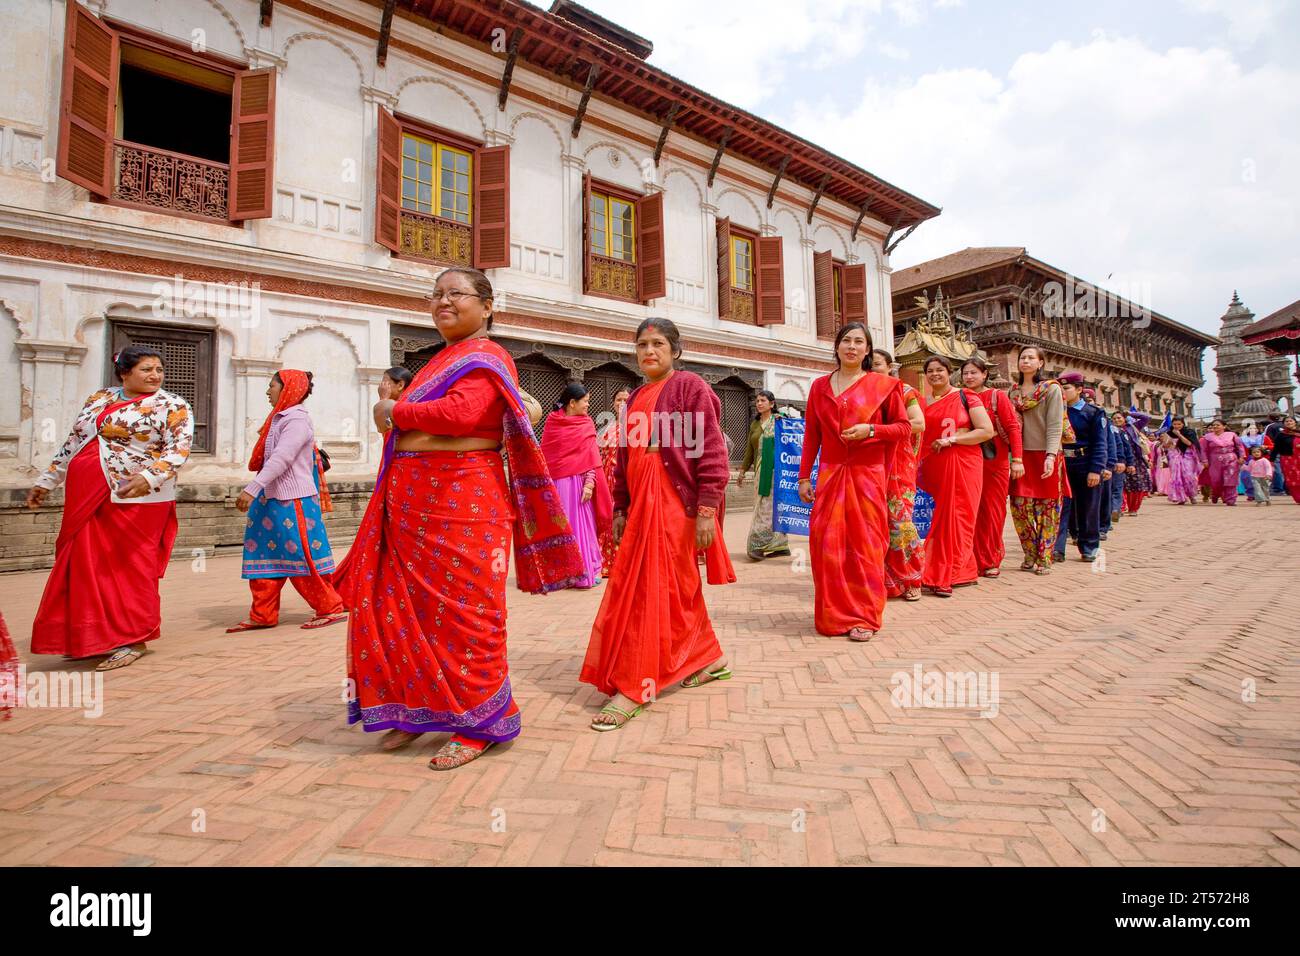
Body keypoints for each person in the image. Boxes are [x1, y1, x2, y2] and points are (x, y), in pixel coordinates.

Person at [336, 268, 583, 771]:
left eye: (456, 294)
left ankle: (482, 721)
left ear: (488, 306)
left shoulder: (487, 356)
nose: (442, 302)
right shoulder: (437, 362)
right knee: (405, 609)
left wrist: (393, 408)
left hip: (462, 503)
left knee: (466, 612)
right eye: (436, 294)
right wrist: (401, 411)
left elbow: (462, 417)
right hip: (410, 505)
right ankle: (417, 708)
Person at [580, 318, 735, 730]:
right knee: (669, 587)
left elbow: (713, 452)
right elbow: (626, 461)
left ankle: (637, 685)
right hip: (642, 501)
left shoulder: (689, 387)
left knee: (659, 588)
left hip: (674, 503)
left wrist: (706, 510)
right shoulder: (635, 398)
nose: (649, 351)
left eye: (659, 343)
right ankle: (710, 658)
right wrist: (619, 508)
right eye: (642, 344)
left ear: (676, 350)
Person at [26, 347, 193, 671]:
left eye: (159, 369)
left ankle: (132, 637)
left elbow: (179, 448)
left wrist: (149, 476)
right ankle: (89, 637)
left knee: (130, 565)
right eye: (146, 369)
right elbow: (73, 442)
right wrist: (48, 480)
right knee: (84, 563)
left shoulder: (171, 405)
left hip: (137, 498)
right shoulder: (100, 399)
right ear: (124, 373)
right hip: (88, 493)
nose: (155, 376)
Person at [797, 326, 910, 638]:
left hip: (868, 474)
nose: (852, 346)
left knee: (866, 545)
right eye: (846, 341)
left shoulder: (885, 386)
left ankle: (865, 616)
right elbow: (812, 436)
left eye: (859, 342)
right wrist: (804, 476)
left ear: (867, 350)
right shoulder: (820, 386)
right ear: (836, 347)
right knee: (826, 543)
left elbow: (903, 428)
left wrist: (871, 431)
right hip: (831, 474)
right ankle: (833, 615)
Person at [226, 370, 347, 633]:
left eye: (272, 386)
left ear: (288, 389)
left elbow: (281, 458)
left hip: (293, 499)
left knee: (300, 555)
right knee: (264, 555)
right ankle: (263, 613)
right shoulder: (278, 419)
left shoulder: (297, 421)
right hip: (270, 497)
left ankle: (330, 607)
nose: (268, 391)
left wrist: (252, 489)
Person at [917, 355, 996, 595]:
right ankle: (948, 569)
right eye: (930, 370)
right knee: (942, 517)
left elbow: (986, 431)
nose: (935, 374)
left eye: (939, 370)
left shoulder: (966, 396)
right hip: (934, 465)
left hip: (963, 462)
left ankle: (953, 572)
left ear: (949, 372)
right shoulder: (923, 402)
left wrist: (953, 439)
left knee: (959, 516)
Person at [540, 381, 613, 589]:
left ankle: (585, 569)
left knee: (584, 527)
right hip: (559, 482)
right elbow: (547, 455)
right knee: (562, 527)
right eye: (586, 401)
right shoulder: (553, 423)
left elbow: (591, 455)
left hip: (580, 485)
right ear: (572, 403)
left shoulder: (586, 423)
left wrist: (590, 483)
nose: (588, 405)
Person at [960, 356, 1024, 578]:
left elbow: (1013, 429)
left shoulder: (997, 397)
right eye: (965, 373)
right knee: (971, 512)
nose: (969, 377)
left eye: (974, 373)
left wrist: (1017, 459)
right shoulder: (960, 397)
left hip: (995, 464)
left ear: (985, 374)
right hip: (967, 463)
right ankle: (972, 559)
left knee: (993, 513)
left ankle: (990, 559)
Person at [1008, 345, 1069, 575]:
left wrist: (1051, 456)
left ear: (1040, 363)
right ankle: (1029, 552)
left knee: (1048, 509)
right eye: (1022, 357)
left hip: (1045, 454)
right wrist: (1014, 457)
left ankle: (1044, 557)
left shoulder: (1051, 389)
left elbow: (1055, 425)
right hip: (1021, 457)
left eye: (1031, 358)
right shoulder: (1013, 393)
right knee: (1020, 508)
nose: (1026, 361)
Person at [870, 349, 925, 601]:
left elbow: (918, 423)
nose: (873, 369)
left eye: (878, 365)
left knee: (901, 523)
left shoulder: (905, 392)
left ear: (890, 366)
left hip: (898, 465)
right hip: (870, 464)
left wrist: (877, 430)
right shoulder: (863, 393)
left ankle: (913, 577)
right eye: (869, 365)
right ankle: (883, 579)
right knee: (875, 523)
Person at [1052, 373, 1107, 563]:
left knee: (1088, 507)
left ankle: (1089, 546)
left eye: (1067, 389)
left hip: (1085, 462)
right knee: (1061, 506)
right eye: (1061, 389)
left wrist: (1096, 469)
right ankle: (1057, 548)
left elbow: (1100, 443)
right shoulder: (1056, 411)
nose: (1063, 393)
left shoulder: (1093, 413)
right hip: (1063, 463)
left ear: (1079, 389)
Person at [738, 389, 791, 561]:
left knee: (768, 507)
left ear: (772, 404)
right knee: (763, 505)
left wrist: (784, 419)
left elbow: (792, 439)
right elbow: (749, 450)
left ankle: (758, 545)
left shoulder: (779, 421)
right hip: (760, 470)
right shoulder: (755, 424)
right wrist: (742, 470)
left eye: (763, 401)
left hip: (775, 470)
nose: (759, 403)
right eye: (757, 401)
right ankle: (780, 545)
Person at [597, 387, 631, 577]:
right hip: (608, 482)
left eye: (626, 400)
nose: (622, 404)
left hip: (628, 483)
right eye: (619, 400)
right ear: (613, 404)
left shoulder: (639, 430)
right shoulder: (605, 431)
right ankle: (608, 564)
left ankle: (628, 565)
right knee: (608, 521)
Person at [1199, 419, 1247, 505]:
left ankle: (1230, 499)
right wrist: (1204, 460)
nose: (1215, 426)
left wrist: (1242, 457)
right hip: (1214, 460)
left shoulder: (1232, 435)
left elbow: (1240, 446)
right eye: (1214, 425)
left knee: (1230, 479)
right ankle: (1216, 494)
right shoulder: (1207, 437)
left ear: (1224, 426)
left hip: (1231, 459)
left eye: (1218, 425)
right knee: (1216, 480)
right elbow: (1203, 450)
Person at [1116, 410, 1152, 514]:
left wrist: (1131, 414)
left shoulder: (1132, 427)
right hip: (1118, 459)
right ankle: (1119, 508)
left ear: (1124, 418)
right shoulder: (1110, 428)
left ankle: (1133, 508)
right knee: (1120, 485)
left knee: (1136, 485)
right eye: (1114, 419)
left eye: (1119, 418)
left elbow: (1146, 418)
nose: (1117, 420)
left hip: (1135, 460)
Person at [1264, 415, 1300, 503]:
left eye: (1291, 421)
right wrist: (1271, 460)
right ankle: (1298, 497)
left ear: (1295, 422)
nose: (1289, 423)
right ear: (1283, 424)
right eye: (1286, 421)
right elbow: (1276, 448)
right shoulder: (1281, 435)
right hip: (1288, 459)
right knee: (1292, 479)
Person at [1264, 412, 1288, 496]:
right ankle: (1286, 488)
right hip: (1287, 449)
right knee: (1286, 469)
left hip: (1276, 449)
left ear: (1269, 418)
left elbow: (1267, 438)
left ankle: (1278, 489)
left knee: (1276, 469)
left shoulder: (1270, 426)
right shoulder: (1284, 425)